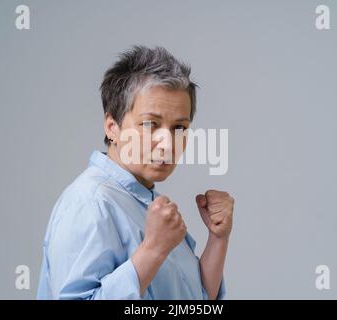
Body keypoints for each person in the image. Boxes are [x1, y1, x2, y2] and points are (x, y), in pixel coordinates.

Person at [37, 45, 234, 299]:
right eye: (150, 124)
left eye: (179, 127)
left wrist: (218, 239)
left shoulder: (143, 201)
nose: (167, 142)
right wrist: (152, 250)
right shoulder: (89, 202)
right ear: (112, 127)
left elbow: (198, 298)